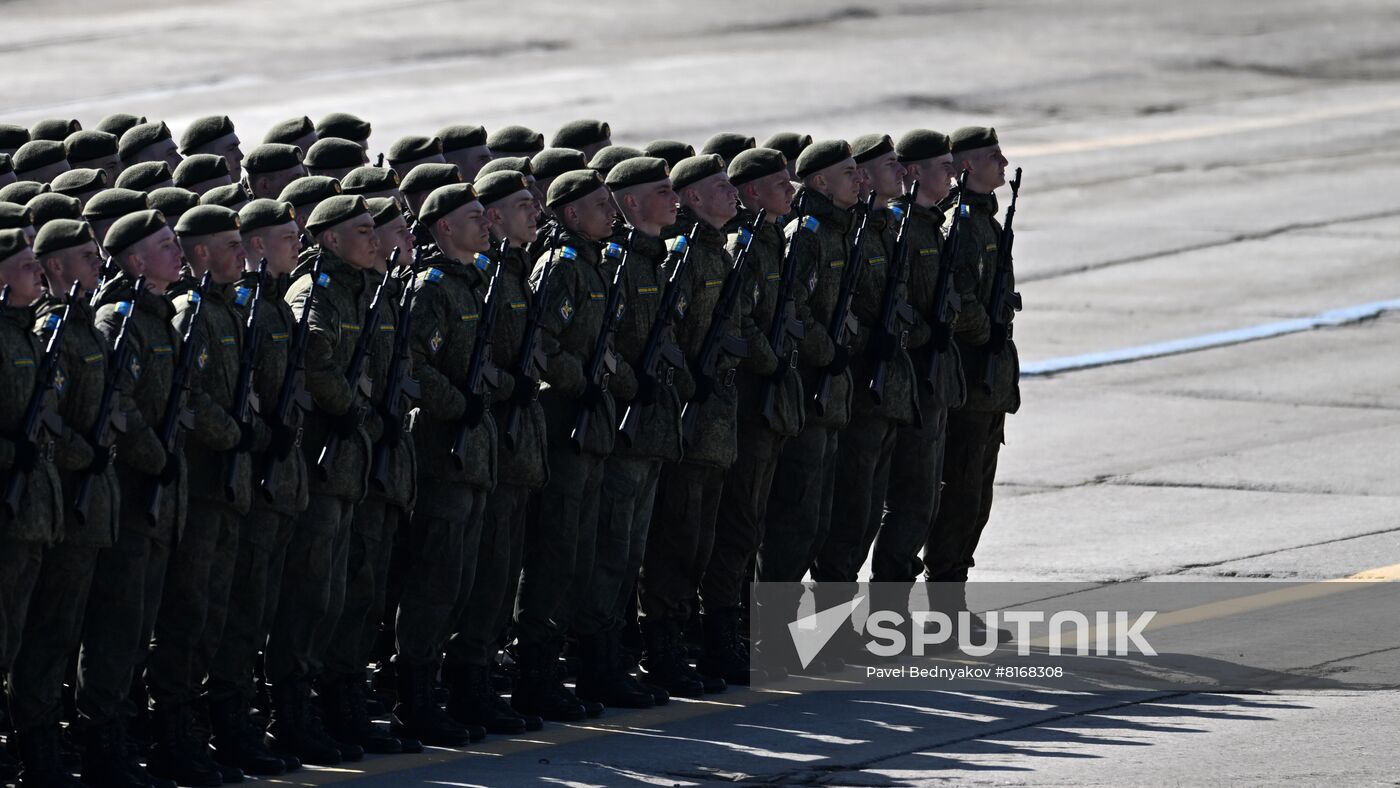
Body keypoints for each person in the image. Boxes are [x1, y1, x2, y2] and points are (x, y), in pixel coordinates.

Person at [146, 205, 267, 787]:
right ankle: (175, 734)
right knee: (188, 617)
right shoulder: (188, 315)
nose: (241, 254)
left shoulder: (227, 309)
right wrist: (233, 432)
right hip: (199, 490)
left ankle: (216, 726)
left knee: (221, 614)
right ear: (200, 255)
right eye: (229, 244)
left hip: (230, 488)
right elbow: (186, 402)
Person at [643, 154, 774, 691]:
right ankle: (666, 651)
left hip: (719, 423)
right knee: (676, 541)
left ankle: (716, 643)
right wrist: (687, 382)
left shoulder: (720, 255)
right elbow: (662, 338)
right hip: (690, 423)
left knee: (709, 540)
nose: (731, 195)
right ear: (693, 198)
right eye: (720, 187)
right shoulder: (683, 258)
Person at [264, 196, 382, 765]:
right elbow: (314, 355)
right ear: (330, 240)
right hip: (321, 463)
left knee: (342, 593)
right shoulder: (317, 291)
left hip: (347, 467)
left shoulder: (360, 287)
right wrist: (348, 407)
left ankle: (337, 703)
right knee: (310, 596)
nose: (374, 238)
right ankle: (292, 713)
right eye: (362, 230)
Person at [512, 169, 633, 722]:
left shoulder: (594, 262)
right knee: (556, 553)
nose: (611, 212)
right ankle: (536, 675)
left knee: (583, 552)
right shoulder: (561, 268)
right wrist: (579, 379)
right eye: (598, 205)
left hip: (589, 425)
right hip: (563, 424)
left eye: (611, 202)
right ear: (568, 214)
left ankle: (576, 668)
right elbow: (542, 345)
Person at [202, 199, 313, 777]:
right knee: (240, 614)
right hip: (248, 484)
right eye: (285, 238)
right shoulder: (246, 308)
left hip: (278, 479)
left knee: (267, 609)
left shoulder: (272, 306)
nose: (297, 246)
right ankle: (227, 723)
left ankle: (264, 716)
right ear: (256, 247)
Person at [574, 157, 690, 708]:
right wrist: (627, 383)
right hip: (622, 432)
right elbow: (598, 347)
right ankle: (599, 665)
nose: (675, 201)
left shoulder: (652, 260)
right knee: (611, 554)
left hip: (650, 431)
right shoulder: (618, 263)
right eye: (663, 193)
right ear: (633, 205)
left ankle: (617, 660)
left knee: (631, 553)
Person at [8, 219, 118, 788]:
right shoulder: (41, 331)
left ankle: (47, 749)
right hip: (33, 509)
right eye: (83, 256)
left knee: (55, 635)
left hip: (59, 509)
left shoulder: (58, 329)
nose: (97, 263)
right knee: (26, 638)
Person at [80, 210, 187, 788]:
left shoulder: (160, 316)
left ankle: (131, 734)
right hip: (129, 495)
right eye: (166, 246)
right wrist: (154, 454)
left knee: (142, 623)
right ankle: (104, 742)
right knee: (117, 629)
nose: (179, 254)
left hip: (161, 498)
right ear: (135, 261)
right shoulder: (118, 320)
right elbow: (119, 405)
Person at [440, 172, 547, 735]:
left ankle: (482, 680)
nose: (535, 214)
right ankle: (461, 685)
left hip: (509, 446)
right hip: (483, 446)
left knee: (500, 575)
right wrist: (504, 388)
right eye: (518, 206)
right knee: (471, 577)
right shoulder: (475, 280)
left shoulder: (507, 272)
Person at [759, 141, 862, 674]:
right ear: (820, 183)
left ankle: (812, 634)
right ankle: (775, 637)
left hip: (829, 399)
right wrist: (828, 349)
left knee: (818, 522)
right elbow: (793, 311)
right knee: (793, 524)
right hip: (805, 394)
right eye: (848, 174)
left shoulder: (842, 232)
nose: (859, 181)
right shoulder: (810, 237)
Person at [925, 126, 1019, 629]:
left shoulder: (985, 220)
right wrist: (985, 334)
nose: (1003, 163)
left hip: (990, 385)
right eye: (991, 156)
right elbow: (957, 301)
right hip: (967, 380)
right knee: (958, 495)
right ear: (964, 167)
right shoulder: (960, 225)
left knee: (974, 500)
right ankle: (944, 607)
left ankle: (952, 598)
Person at [0, 228, 74, 788]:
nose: (37, 272)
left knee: (28, 641)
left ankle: (33, 748)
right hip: (9, 514)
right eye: (26, 265)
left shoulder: (30, 335)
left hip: (38, 515)